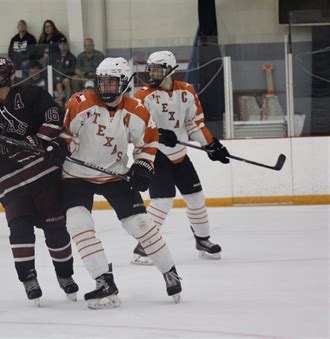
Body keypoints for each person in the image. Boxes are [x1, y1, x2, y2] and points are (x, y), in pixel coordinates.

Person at [58, 57, 182, 309]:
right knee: (78, 224)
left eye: (112, 83)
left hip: (115, 174)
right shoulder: (79, 103)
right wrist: (58, 145)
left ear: (124, 83)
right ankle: (104, 280)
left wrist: (143, 166)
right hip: (76, 175)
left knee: (140, 224)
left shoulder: (137, 109)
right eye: (102, 82)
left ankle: (169, 270)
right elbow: (64, 133)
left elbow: (147, 144)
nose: (105, 88)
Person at [0, 57, 78, 303]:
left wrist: (34, 143)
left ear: (0, 78)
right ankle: (28, 278)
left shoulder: (31, 94)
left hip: (45, 178)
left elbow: (54, 119)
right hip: (11, 182)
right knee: (20, 231)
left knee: (56, 231)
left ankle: (65, 276)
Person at [132, 51, 229, 263]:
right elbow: (136, 128)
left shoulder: (186, 91)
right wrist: (158, 134)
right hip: (155, 154)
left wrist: (212, 145)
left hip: (179, 155)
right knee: (162, 201)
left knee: (196, 197)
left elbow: (194, 124)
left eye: (158, 69)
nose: (152, 73)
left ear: (171, 70)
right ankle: (144, 246)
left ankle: (203, 240)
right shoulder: (142, 96)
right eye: (151, 68)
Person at [51, 37, 76, 106]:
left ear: (67, 45)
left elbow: (72, 70)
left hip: (65, 78)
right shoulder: (53, 56)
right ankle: (60, 99)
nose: (62, 46)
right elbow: (50, 68)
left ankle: (67, 102)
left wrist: (61, 74)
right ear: (58, 45)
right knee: (57, 82)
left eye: (64, 44)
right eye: (61, 44)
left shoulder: (71, 57)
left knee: (66, 81)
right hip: (55, 78)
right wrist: (57, 76)